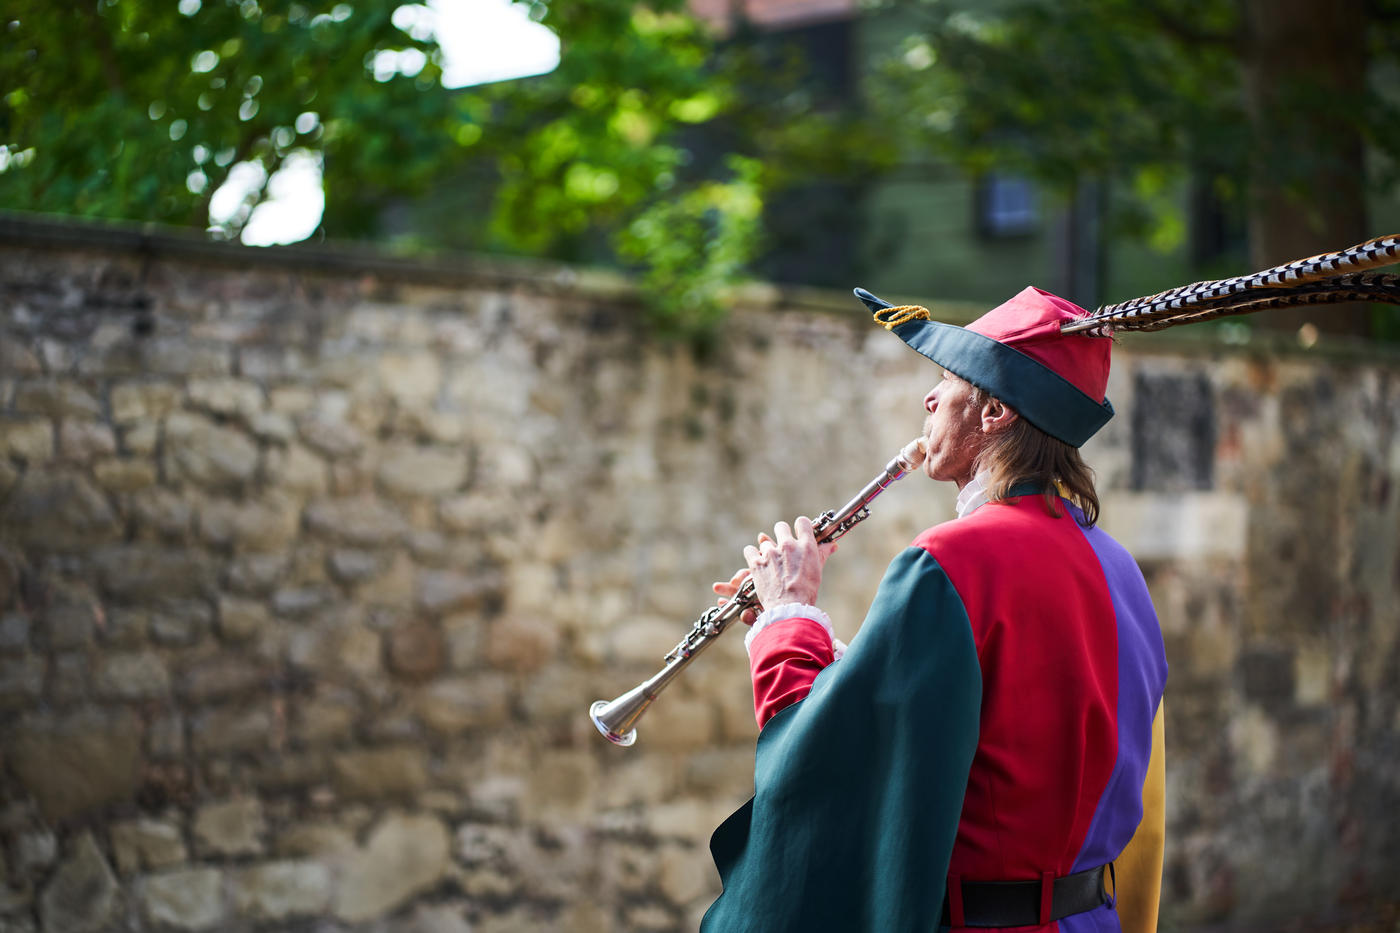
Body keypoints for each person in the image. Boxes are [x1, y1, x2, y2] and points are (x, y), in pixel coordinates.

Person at [701, 286, 1168, 933]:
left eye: (948, 380)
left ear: (996, 410)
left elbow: (827, 768)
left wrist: (787, 618)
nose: (930, 398)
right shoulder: (1120, 570)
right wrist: (851, 659)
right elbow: (981, 719)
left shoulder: (952, 561)